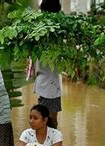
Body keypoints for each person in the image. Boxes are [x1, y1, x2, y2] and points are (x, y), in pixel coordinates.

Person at [33, 0, 63, 129]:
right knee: (49, 121)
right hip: (48, 85)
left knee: (49, 120)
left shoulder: (41, 31)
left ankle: (51, 145)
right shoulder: (52, 32)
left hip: (48, 84)